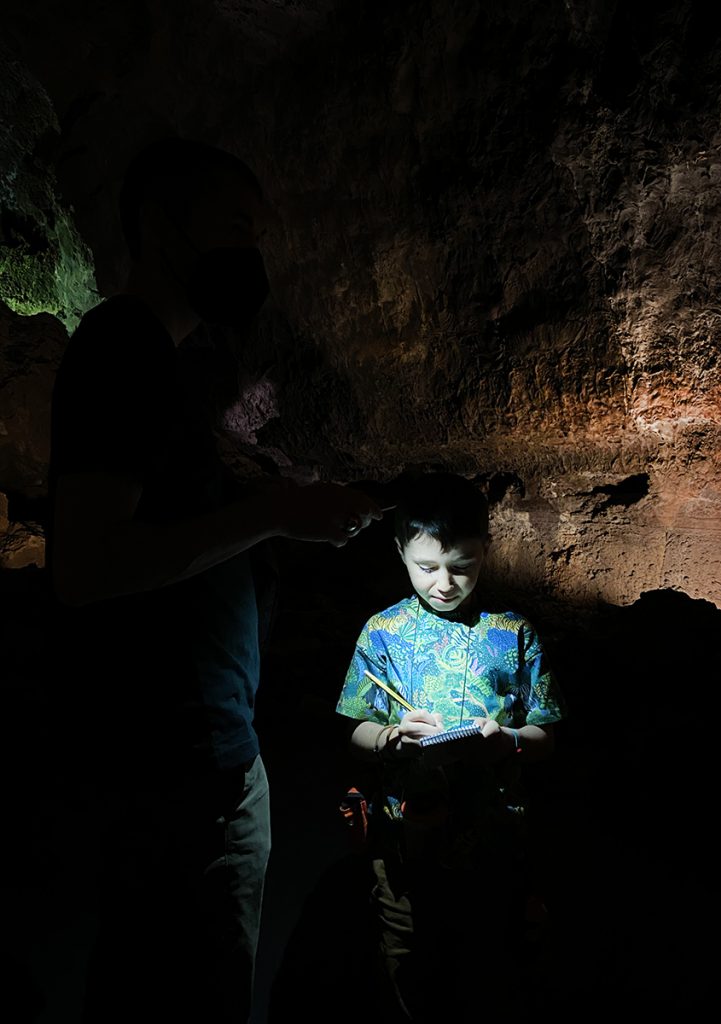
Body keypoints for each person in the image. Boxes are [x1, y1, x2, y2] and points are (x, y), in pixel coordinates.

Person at [46, 136, 381, 1024]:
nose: (252, 254)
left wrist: (266, 495)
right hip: (179, 764)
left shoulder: (160, 365)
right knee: (194, 993)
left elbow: (164, 522)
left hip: (194, 750)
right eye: (235, 227)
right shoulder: (119, 345)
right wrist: (272, 513)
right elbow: (83, 568)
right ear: (162, 226)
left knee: (149, 982)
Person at [335, 471, 566, 1023]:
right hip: (404, 839)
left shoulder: (513, 633)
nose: (444, 583)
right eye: (426, 567)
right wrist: (392, 737)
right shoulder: (382, 632)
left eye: (462, 566)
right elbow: (353, 731)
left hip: (494, 839)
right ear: (400, 551)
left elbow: (545, 737)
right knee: (407, 957)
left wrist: (506, 742)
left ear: (486, 549)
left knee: (489, 961)